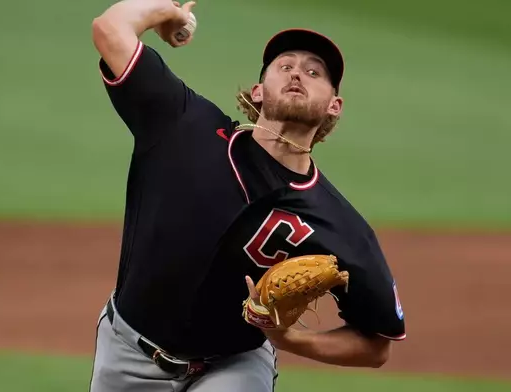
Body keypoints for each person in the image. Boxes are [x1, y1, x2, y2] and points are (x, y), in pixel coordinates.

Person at [88, 0, 406, 391]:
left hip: (234, 366)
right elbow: (109, 28)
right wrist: (168, 14)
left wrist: (289, 339)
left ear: (333, 107)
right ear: (258, 92)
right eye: (284, 66)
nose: (297, 75)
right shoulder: (184, 126)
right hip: (127, 354)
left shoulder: (338, 225)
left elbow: (376, 345)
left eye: (314, 72)